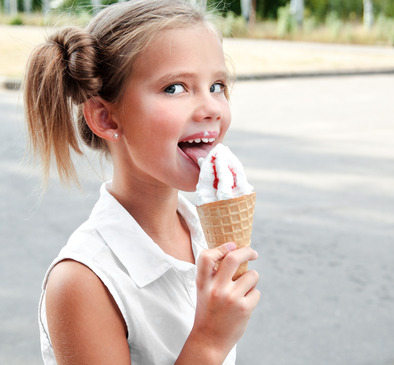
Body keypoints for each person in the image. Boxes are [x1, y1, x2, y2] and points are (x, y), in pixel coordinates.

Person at [23, 0, 260, 364]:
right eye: (175, 88)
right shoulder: (83, 281)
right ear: (106, 118)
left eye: (217, 85)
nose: (212, 107)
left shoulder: (200, 229)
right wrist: (210, 341)